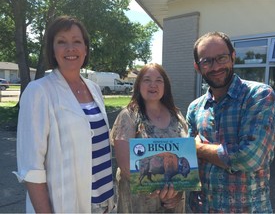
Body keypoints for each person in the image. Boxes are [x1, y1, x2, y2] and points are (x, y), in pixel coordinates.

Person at [13, 16, 114, 213]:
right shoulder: (39, 91)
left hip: (104, 203)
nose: (70, 48)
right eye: (61, 42)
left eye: (77, 41)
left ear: (85, 48)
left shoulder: (94, 89)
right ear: (52, 49)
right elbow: (31, 169)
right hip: (66, 206)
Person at [186, 31, 275, 213]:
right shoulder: (195, 108)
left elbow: (250, 157)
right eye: (207, 61)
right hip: (203, 208)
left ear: (233, 57)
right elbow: (188, 162)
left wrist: (198, 148)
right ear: (198, 67)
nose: (215, 67)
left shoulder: (258, 96)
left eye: (221, 58)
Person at [110, 63, 188, 213]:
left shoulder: (176, 115)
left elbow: (187, 154)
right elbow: (125, 164)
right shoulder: (128, 116)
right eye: (147, 80)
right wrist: (159, 190)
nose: (153, 85)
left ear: (165, 86)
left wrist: (176, 193)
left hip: (173, 202)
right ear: (139, 85)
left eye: (159, 80)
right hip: (139, 203)